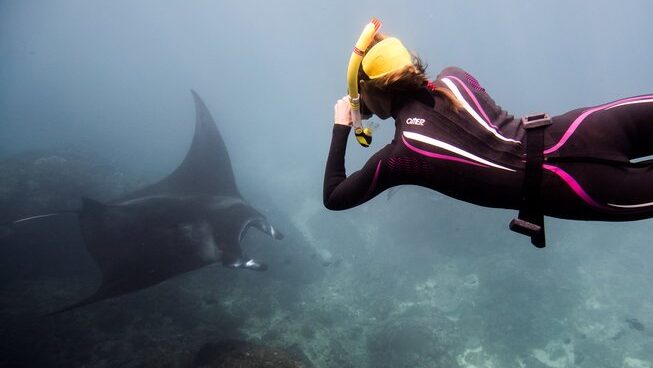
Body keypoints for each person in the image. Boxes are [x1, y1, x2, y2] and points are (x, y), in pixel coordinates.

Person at [323, 32, 653, 247]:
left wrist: (342, 127)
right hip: (587, 129)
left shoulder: (401, 155)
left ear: (370, 90)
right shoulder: (455, 76)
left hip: (580, 192)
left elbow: (335, 196)